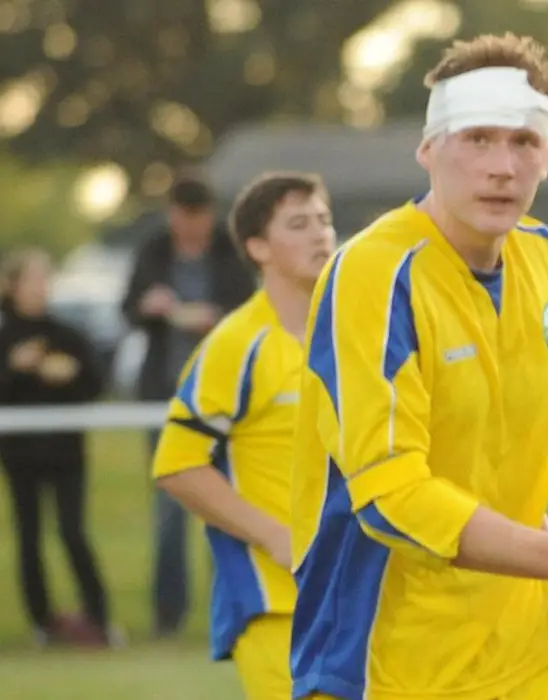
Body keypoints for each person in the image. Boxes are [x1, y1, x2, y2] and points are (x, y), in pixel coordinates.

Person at [290, 33, 548, 700]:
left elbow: (501, 478)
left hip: (530, 661)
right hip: (393, 669)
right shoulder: (376, 275)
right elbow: (392, 499)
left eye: (523, 142)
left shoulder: (547, 261)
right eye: (476, 139)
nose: (502, 166)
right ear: (428, 149)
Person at [151, 172, 335, 700]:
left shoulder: (353, 334)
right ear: (258, 247)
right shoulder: (237, 343)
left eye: (324, 220)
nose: (320, 234)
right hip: (276, 605)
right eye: (298, 224)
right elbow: (177, 466)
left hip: (357, 598)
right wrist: (278, 538)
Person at [121, 171, 256, 638]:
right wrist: (147, 307)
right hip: (164, 395)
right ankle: (168, 615)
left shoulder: (230, 251)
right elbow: (128, 308)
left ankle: (233, 609)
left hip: (222, 398)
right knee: (169, 511)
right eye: (185, 218)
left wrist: (216, 317)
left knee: (226, 506)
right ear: (173, 215)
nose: (192, 228)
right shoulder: (153, 251)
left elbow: (252, 306)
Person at [0, 249, 114, 647]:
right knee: (28, 537)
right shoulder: (6, 337)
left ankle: (99, 617)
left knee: (72, 531)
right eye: (31, 280)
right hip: (19, 454)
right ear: (12, 287)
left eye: (44, 280)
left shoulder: (66, 335)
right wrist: (15, 369)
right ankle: (42, 621)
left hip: (66, 452)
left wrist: (67, 375)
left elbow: (96, 385)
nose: (39, 288)